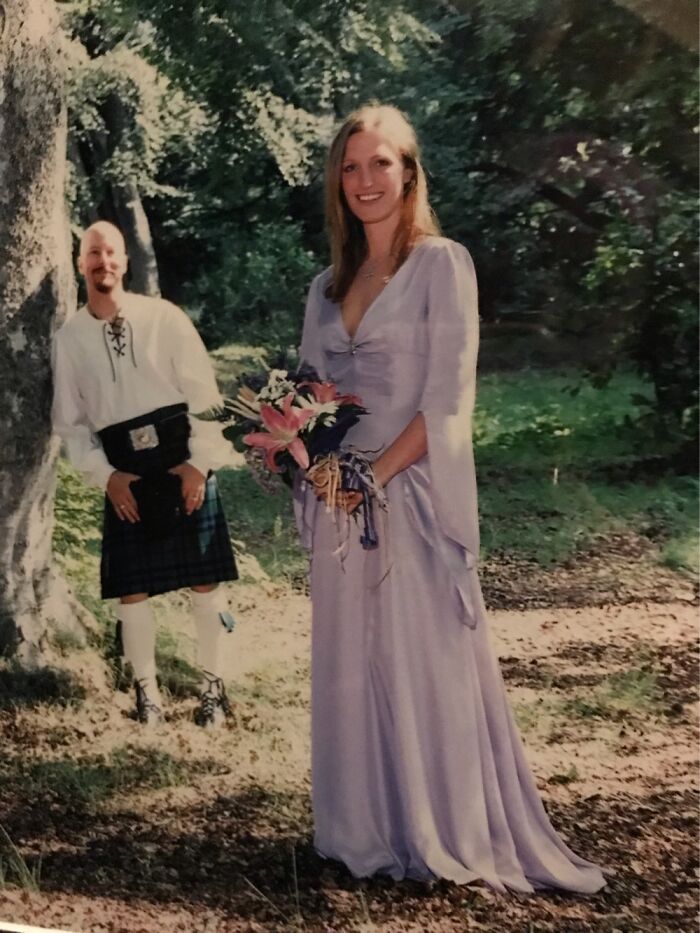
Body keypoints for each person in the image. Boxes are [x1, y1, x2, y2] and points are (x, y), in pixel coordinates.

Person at [295, 104, 607, 893]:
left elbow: (449, 398)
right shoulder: (325, 284)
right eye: (351, 166)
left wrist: (375, 475)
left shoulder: (442, 264)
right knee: (347, 665)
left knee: (420, 660)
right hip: (339, 503)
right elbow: (304, 394)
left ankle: (441, 828)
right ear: (339, 180)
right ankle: (359, 832)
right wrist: (301, 456)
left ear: (409, 172)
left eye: (381, 164)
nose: (365, 180)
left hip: (410, 493)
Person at [52, 221, 238, 727]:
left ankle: (212, 690)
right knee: (132, 590)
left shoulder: (164, 317)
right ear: (79, 264)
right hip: (125, 473)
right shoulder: (68, 338)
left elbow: (204, 396)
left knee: (203, 582)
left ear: (124, 261)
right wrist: (105, 476)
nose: (102, 262)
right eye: (92, 254)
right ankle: (147, 695)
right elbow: (69, 426)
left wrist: (200, 463)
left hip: (181, 459)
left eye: (110, 252)